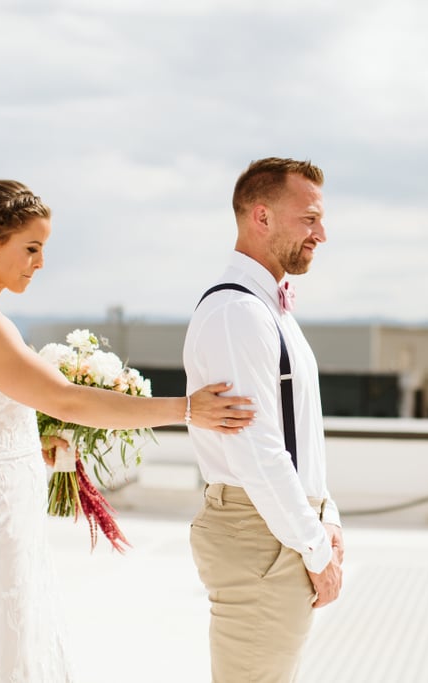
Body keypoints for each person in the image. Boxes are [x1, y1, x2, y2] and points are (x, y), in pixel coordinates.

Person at [0, 180, 254, 681]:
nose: (40, 262)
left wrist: (30, 446)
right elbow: (69, 399)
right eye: (31, 248)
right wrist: (187, 409)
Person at [183, 157, 345, 682]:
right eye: (310, 218)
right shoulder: (238, 314)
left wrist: (328, 516)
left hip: (281, 526)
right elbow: (256, 451)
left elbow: (301, 430)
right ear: (262, 216)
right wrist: (316, 549)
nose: (322, 233)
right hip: (262, 533)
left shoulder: (268, 308)